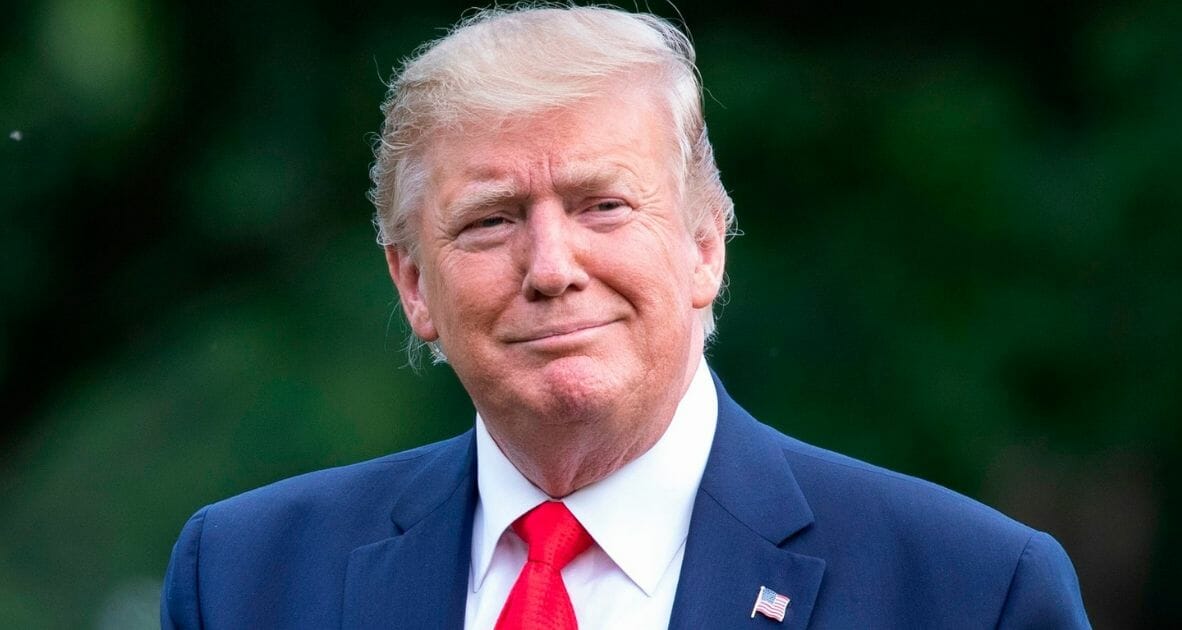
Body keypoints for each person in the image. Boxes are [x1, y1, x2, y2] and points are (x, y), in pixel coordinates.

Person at [161, 4, 1090, 629]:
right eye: (490, 221)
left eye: (603, 205)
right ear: (413, 286)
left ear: (704, 246)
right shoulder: (246, 580)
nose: (552, 269)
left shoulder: (968, 592)